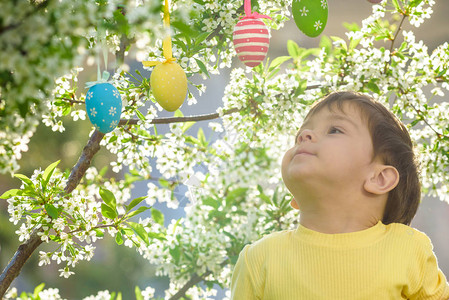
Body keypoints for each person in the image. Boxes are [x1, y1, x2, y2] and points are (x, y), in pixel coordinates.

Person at [230, 91, 449, 299]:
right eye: (299, 135)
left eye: (334, 130)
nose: (304, 136)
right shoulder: (258, 260)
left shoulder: (408, 250)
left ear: (379, 178)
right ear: (295, 198)